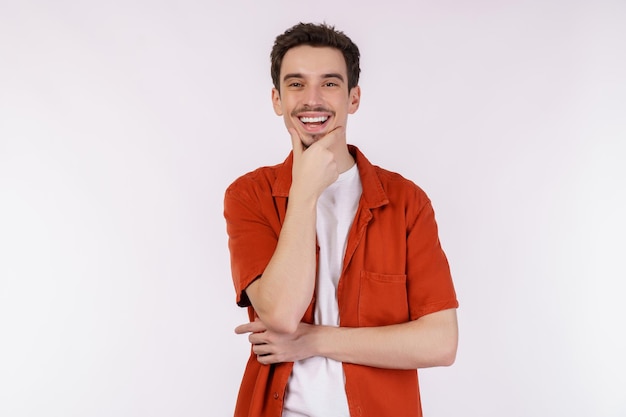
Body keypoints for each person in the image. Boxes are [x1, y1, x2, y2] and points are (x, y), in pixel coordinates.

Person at [224, 22, 459, 417]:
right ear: (277, 99)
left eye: (329, 84)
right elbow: (281, 313)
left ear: (353, 98)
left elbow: (440, 343)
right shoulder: (249, 195)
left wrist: (314, 340)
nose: (312, 100)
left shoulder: (406, 202)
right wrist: (304, 192)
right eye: (296, 84)